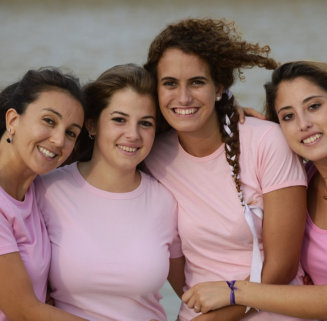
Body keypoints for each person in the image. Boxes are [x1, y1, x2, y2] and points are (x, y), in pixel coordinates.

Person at [143, 18, 308, 321]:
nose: (183, 98)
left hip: (274, 311)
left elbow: (282, 267)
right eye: (169, 83)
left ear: (219, 87)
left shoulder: (266, 141)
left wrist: (216, 317)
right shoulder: (151, 153)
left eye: (197, 82)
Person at [35, 63, 183, 321]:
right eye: (119, 119)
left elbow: (192, 291)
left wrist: (232, 119)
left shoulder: (166, 201)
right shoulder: (47, 189)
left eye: (145, 123)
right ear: (92, 125)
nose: (133, 135)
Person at [181, 61, 327, 321]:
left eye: (314, 106)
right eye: (288, 116)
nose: (303, 124)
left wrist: (236, 291)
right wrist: (224, 117)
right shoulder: (304, 179)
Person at [0, 68, 88, 321]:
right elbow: (24, 311)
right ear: (13, 120)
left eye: (71, 133)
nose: (60, 140)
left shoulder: (39, 190)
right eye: (49, 121)